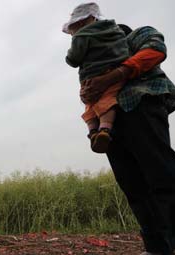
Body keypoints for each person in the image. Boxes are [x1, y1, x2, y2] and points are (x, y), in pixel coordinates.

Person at [79, 20, 175, 255]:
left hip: (140, 104)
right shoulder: (95, 59)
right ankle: (159, 249)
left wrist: (113, 75)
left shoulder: (138, 35)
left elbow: (155, 51)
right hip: (111, 122)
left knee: (165, 175)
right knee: (133, 184)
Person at [64, 2, 129, 153]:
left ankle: (102, 130)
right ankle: (97, 133)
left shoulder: (82, 36)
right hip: (115, 72)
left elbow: (73, 59)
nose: (73, 33)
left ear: (82, 21)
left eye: (73, 28)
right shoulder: (116, 31)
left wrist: (70, 52)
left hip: (93, 77)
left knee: (95, 103)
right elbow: (124, 51)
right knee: (107, 98)